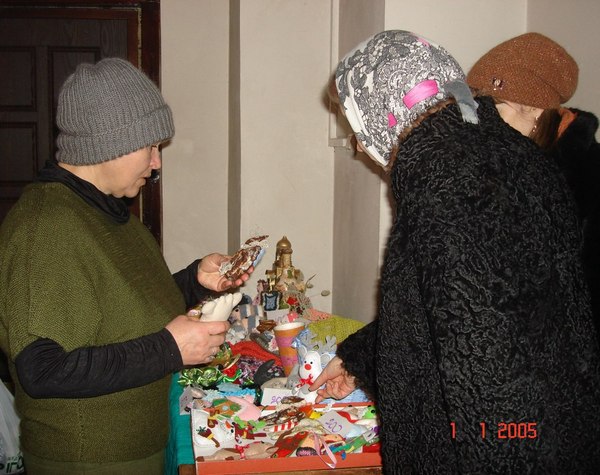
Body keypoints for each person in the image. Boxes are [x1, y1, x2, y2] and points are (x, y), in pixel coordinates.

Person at [310, 30, 600, 473]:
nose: (361, 146)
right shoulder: (506, 164)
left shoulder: (450, 186)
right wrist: (360, 357)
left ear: (381, 113)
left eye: (356, 127)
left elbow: (492, 375)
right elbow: (454, 311)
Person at [0, 58, 251, 474]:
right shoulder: (46, 227)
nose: (157, 163)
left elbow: (122, 309)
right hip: (88, 461)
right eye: (150, 147)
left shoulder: (109, 215)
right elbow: (43, 370)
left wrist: (196, 282)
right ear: (109, 144)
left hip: (134, 450)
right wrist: (169, 349)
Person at [467, 32, 600, 346]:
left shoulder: (588, 179)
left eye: (492, 106)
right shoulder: (501, 165)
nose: (478, 119)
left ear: (534, 110)